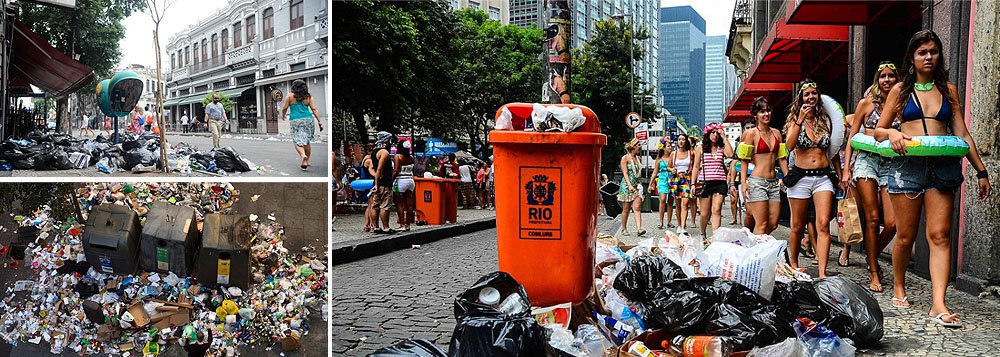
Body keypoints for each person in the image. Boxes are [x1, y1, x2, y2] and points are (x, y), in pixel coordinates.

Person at [875, 30, 990, 325]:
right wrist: (892, 133)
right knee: (905, 235)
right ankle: (899, 285)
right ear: (912, 59)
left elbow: (962, 134)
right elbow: (877, 131)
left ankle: (938, 303)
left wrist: (981, 171)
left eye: (933, 51)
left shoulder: (948, 90)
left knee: (939, 236)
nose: (929, 57)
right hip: (909, 166)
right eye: (922, 52)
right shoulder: (900, 90)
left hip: (942, 166)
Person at [842, 61, 900, 292]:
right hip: (866, 161)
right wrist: (846, 169)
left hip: (891, 163)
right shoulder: (866, 104)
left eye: (891, 76)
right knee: (872, 218)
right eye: (883, 76)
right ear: (877, 79)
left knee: (892, 223)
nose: (887, 80)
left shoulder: (901, 105)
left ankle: (871, 254)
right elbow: (851, 138)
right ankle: (874, 271)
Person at [783, 79, 843, 277]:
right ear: (801, 98)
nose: (811, 97)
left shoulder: (825, 119)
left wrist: (841, 175)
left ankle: (823, 271)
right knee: (798, 225)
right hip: (800, 177)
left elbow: (832, 150)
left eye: (814, 93)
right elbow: (789, 146)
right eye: (807, 94)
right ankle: (793, 262)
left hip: (823, 177)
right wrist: (800, 120)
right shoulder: (794, 120)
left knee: (823, 223)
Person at [739, 97, 788, 235]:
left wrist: (788, 177)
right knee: (761, 224)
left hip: (773, 183)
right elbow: (744, 160)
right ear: (755, 115)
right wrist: (743, 183)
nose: (766, 114)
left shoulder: (777, 133)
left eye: (768, 111)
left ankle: (753, 243)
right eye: (762, 111)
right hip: (757, 182)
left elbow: (782, 158)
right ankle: (757, 253)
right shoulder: (751, 134)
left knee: (773, 223)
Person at [692, 123, 734, 237]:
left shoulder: (722, 147)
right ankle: (702, 233)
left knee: (716, 210)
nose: (715, 135)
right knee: (705, 213)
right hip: (705, 182)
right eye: (713, 133)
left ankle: (716, 237)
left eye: (717, 133)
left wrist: (724, 137)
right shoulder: (701, 148)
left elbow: (730, 154)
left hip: (720, 182)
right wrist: (692, 183)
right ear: (708, 134)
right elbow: (695, 167)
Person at [281, 79, 325, 170]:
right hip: (308, 120)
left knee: (297, 141)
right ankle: (307, 160)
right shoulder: (308, 97)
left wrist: (283, 115)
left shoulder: (290, 96)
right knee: (306, 141)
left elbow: (284, 108)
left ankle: (303, 155)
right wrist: (319, 121)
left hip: (295, 120)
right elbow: (314, 109)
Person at [617, 138, 646, 236]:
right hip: (627, 185)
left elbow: (638, 174)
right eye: (638, 145)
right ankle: (624, 228)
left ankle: (639, 228)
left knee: (637, 207)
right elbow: (625, 173)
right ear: (633, 146)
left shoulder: (638, 159)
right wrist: (629, 185)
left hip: (636, 185)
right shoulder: (625, 158)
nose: (640, 147)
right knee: (626, 208)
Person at [370, 132, 397, 234]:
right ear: (386, 140)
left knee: (375, 205)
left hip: (377, 183)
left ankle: (376, 227)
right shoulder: (384, 152)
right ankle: (386, 227)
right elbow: (380, 169)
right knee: (385, 206)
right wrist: (378, 181)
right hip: (384, 183)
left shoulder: (374, 152)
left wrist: (376, 179)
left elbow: (372, 168)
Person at [668, 135, 695, 232]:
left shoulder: (691, 153)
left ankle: (683, 226)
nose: (681, 141)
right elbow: (669, 167)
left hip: (687, 179)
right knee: (678, 204)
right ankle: (679, 224)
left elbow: (695, 166)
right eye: (679, 139)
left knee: (685, 202)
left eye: (683, 139)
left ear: (686, 142)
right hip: (676, 179)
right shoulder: (673, 154)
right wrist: (672, 170)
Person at [648, 141, 675, 229]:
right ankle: (661, 221)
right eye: (668, 146)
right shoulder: (659, 159)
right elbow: (655, 172)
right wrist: (650, 183)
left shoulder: (673, 157)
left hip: (672, 179)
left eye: (670, 146)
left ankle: (669, 221)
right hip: (662, 179)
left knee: (670, 201)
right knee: (662, 199)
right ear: (663, 148)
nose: (670, 147)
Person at [392, 140, 416, 232]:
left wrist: (391, 180)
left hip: (400, 180)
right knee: (409, 204)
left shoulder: (398, 157)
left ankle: (402, 224)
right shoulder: (411, 158)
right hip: (410, 181)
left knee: (399, 204)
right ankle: (408, 224)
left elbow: (396, 170)